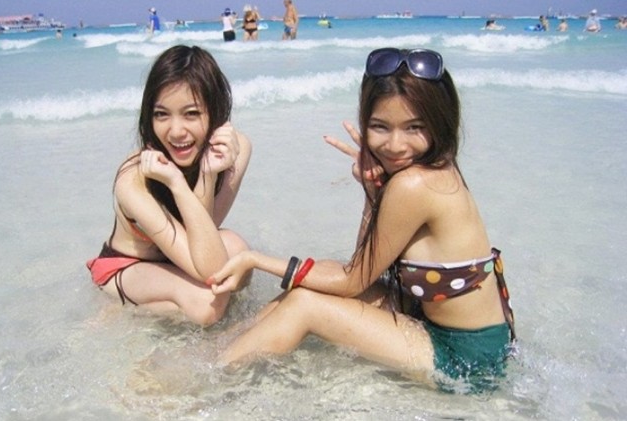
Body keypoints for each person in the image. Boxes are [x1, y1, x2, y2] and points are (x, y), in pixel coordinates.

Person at [209, 48, 516, 392]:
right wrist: (373, 191)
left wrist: (255, 259)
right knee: (320, 275)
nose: (395, 145)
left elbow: (352, 281)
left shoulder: (414, 184)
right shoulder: (435, 170)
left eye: (414, 127)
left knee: (305, 305)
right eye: (380, 127)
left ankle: (208, 380)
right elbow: (363, 266)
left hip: (466, 363)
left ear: (439, 122)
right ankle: (226, 345)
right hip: (453, 331)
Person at [86, 45, 253, 326]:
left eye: (191, 114)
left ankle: (171, 303)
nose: (176, 132)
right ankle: (123, 308)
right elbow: (210, 269)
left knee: (238, 254)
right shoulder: (133, 179)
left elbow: (205, 231)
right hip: (128, 266)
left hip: (181, 257)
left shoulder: (236, 149)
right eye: (162, 114)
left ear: (215, 110)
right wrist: (176, 183)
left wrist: (208, 173)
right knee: (207, 305)